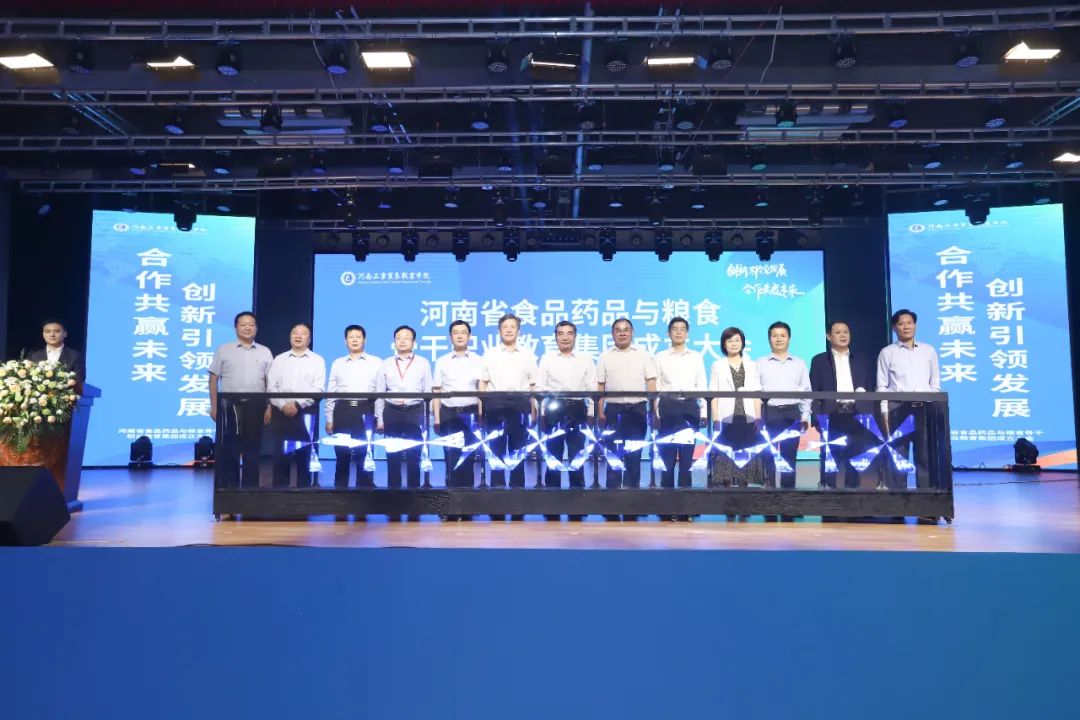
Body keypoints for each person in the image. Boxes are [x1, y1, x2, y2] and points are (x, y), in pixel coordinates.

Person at [877, 309, 941, 491]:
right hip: (898, 409)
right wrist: (884, 412)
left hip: (924, 409)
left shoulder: (929, 351)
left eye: (909, 323)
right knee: (899, 455)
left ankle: (926, 496)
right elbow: (881, 385)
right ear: (894, 328)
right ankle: (898, 498)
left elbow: (935, 383)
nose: (906, 327)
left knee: (925, 454)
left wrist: (933, 405)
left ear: (915, 325)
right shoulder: (887, 352)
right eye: (901, 323)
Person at [208, 311, 273, 489]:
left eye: (251, 324)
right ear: (236, 327)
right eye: (243, 324)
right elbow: (213, 379)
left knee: (253, 449)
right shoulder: (224, 349)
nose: (247, 328)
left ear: (256, 328)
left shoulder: (265, 352)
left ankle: (250, 492)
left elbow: (270, 382)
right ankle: (230, 490)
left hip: (256, 405)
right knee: (231, 450)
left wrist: (269, 406)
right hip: (230, 405)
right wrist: (214, 406)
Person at [809, 321, 876, 490]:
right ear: (829, 336)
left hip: (856, 413)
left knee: (855, 454)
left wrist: (869, 414)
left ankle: (852, 492)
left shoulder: (861, 360)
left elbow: (870, 388)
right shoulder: (819, 361)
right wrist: (816, 418)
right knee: (830, 455)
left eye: (846, 332)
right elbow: (813, 391)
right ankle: (828, 490)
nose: (843, 335)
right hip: (831, 414)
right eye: (838, 332)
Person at [596, 318, 657, 492]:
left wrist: (653, 410)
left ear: (632, 332)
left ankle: (633, 497)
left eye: (626, 330)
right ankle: (612, 497)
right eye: (618, 330)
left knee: (634, 455)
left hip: (637, 409)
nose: (622, 333)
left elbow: (651, 382)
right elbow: (600, 385)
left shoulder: (642, 354)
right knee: (613, 455)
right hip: (613, 410)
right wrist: (600, 412)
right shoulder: (605, 356)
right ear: (612, 333)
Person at [479, 314, 538, 491]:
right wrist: (481, 409)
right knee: (496, 450)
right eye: (505, 327)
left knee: (518, 450)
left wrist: (534, 410)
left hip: (520, 405)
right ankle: (497, 491)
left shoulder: (527, 355)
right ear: (499, 331)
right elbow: (483, 383)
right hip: (495, 405)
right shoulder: (490, 354)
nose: (509, 330)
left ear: (518, 331)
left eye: (513, 327)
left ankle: (517, 491)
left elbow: (533, 385)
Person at [537, 321, 596, 493]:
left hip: (577, 408)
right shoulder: (547, 358)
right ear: (555, 337)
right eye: (561, 333)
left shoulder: (585, 359)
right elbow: (540, 387)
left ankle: (577, 494)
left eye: (569, 333)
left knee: (577, 453)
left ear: (575, 336)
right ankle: (552, 495)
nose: (565, 337)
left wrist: (591, 412)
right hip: (554, 408)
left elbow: (592, 387)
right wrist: (541, 413)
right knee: (553, 452)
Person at [266, 323, 326, 489]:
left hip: (305, 413)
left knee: (304, 456)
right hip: (281, 413)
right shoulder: (279, 359)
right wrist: (283, 405)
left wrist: (298, 404)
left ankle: (303, 496)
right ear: (290, 336)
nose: (298, 336)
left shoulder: (317, 360)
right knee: (280, 456)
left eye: (303, 333)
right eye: (294, 333)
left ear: (309, 339)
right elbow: (271, 387)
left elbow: (318, 388)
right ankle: (279, 495)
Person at [756, 321, 811, 496]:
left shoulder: (799, 363)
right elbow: (755, 391)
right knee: (768, 456)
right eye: (774, 336)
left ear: (789, 338)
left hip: (791, 412)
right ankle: (768, 498)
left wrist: (805, 416)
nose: (778, 339)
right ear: (769, 339)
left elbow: (806, 391)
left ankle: (789, 499)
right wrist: (757, 416)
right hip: (768, 412)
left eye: (782, 335)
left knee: (789, 457)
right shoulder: (760, 362)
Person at [709, 327, 767, 489]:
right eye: (730, 341)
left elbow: (756, 393)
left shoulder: (751, 364)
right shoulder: (717, 365)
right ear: (724, 344)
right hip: (726, 417)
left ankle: (743, 497)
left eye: (737, 340)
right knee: (726, 461)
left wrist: (758, 417)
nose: (734, 344)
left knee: (745, 459)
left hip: (747, 416)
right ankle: (728, 498)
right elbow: (713, 394)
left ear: (742, 343)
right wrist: (715, 419)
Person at [375, 325, 432, 490]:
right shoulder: (386, 363)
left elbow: (428, 392)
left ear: (414, 342)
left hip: (415, 411)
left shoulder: (423, 363)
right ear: (394, 342)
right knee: (393, 456)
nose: (402, 341)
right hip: (392, 411)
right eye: (399, 338)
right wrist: (379, 418)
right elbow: (379, 392)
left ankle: (414, 495)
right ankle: (393, 495)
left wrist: (427, 419)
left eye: (407, 338)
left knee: (414, 455)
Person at [653, 317, 707, 490]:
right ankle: (667, 501)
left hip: (690, 408)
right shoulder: (660, 357)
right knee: (667, 460)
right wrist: (655, 413)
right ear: (668, 333)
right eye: (674, 329)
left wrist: (704, 412)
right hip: (668, 408)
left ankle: (686, 501)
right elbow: (656, 388)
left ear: (687, 333)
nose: (678, 332)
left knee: (686, 461)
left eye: (682, 329)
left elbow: (702, 385)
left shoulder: (696, 357)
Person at [325, 324, 381, 489]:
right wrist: (329, 418)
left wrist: (379, 417)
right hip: (343, 410)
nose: (354, 340)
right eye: (351, 337)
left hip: (366, 408)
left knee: (365, 452)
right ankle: (340, 492)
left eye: (358, 337)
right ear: (345, 341)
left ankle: (365, 491)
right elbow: (331, 393)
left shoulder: (376, 362)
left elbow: (380, 393)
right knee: (342, 453)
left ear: (365, 340)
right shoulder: (337, 363)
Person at [432, 320, 483, 489]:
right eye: (456, 332)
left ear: (469, 336)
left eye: (463, 332)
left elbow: (481, 390)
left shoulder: (478, 360)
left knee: (468, 455)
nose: (460, 336)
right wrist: (436, 418)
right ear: (450, 337)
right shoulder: (442, 361)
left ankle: (467, 499)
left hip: (471, 413)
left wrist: (481, 414)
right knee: (450, 457)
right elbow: (436, 390)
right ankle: (450, 499)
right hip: (449, 414)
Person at [29, 319, 85, 386]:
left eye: (57, 331)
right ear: (43, 334)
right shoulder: (35, 356)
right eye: (48, 331)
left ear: (65, 334)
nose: (52, 335)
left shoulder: (75, 355)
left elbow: (79, 381)